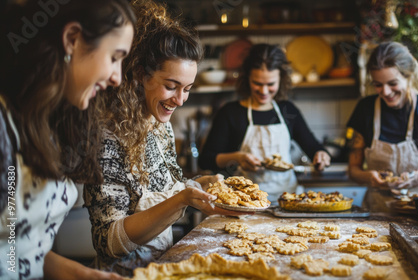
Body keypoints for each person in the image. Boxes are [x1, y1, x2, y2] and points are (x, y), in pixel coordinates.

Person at [83, 0, 249, 276]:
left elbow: (165, 189)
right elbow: (108, 242)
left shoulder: (160, 125)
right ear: (140, 74)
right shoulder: (107, 135)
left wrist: (199, 185)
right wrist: (183, 199)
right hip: (124, 274)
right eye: (171, 86)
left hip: (164, 267)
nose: (180, 100)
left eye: (187, 89)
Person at [0, 1, 135, 279]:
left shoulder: (51, 123)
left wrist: (82, 275)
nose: (117, 78)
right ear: (72, 39)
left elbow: (16, 247)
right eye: (114, 57)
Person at [198, 43, 331, 203]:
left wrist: (321, 155)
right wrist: (238, 158)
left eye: (271, 84)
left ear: (281, 79)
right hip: (244, 202)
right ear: (247, 78)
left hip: (287, 201)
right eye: (258, 84)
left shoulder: (288, 111)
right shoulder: (231, 113)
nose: (264, 91)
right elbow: (206, 159)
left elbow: (313, 148)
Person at [346, 41, 418, 210]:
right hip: (376, 211)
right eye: (378, 85)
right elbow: (353, 170)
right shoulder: (365, 109)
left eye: (393, 83)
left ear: (408, 76)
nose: (386, 92)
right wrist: (369, 176)